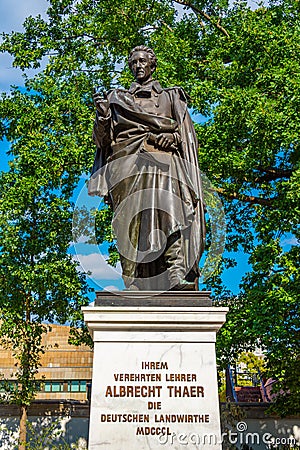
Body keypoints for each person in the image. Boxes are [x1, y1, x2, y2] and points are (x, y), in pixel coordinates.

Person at [88, 46, 205, 290]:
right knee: (128, 220)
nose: (138, 66)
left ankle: (175, 271)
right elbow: (102, 141)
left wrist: (172, 140)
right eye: (133, 63)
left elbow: (186, 137)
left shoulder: (170, 97)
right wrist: (103, 116)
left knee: (171, 205)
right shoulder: (117, 99)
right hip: (126, 163)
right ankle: (131, 280)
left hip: (163, 163)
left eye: (142, 61)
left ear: (153, 65)